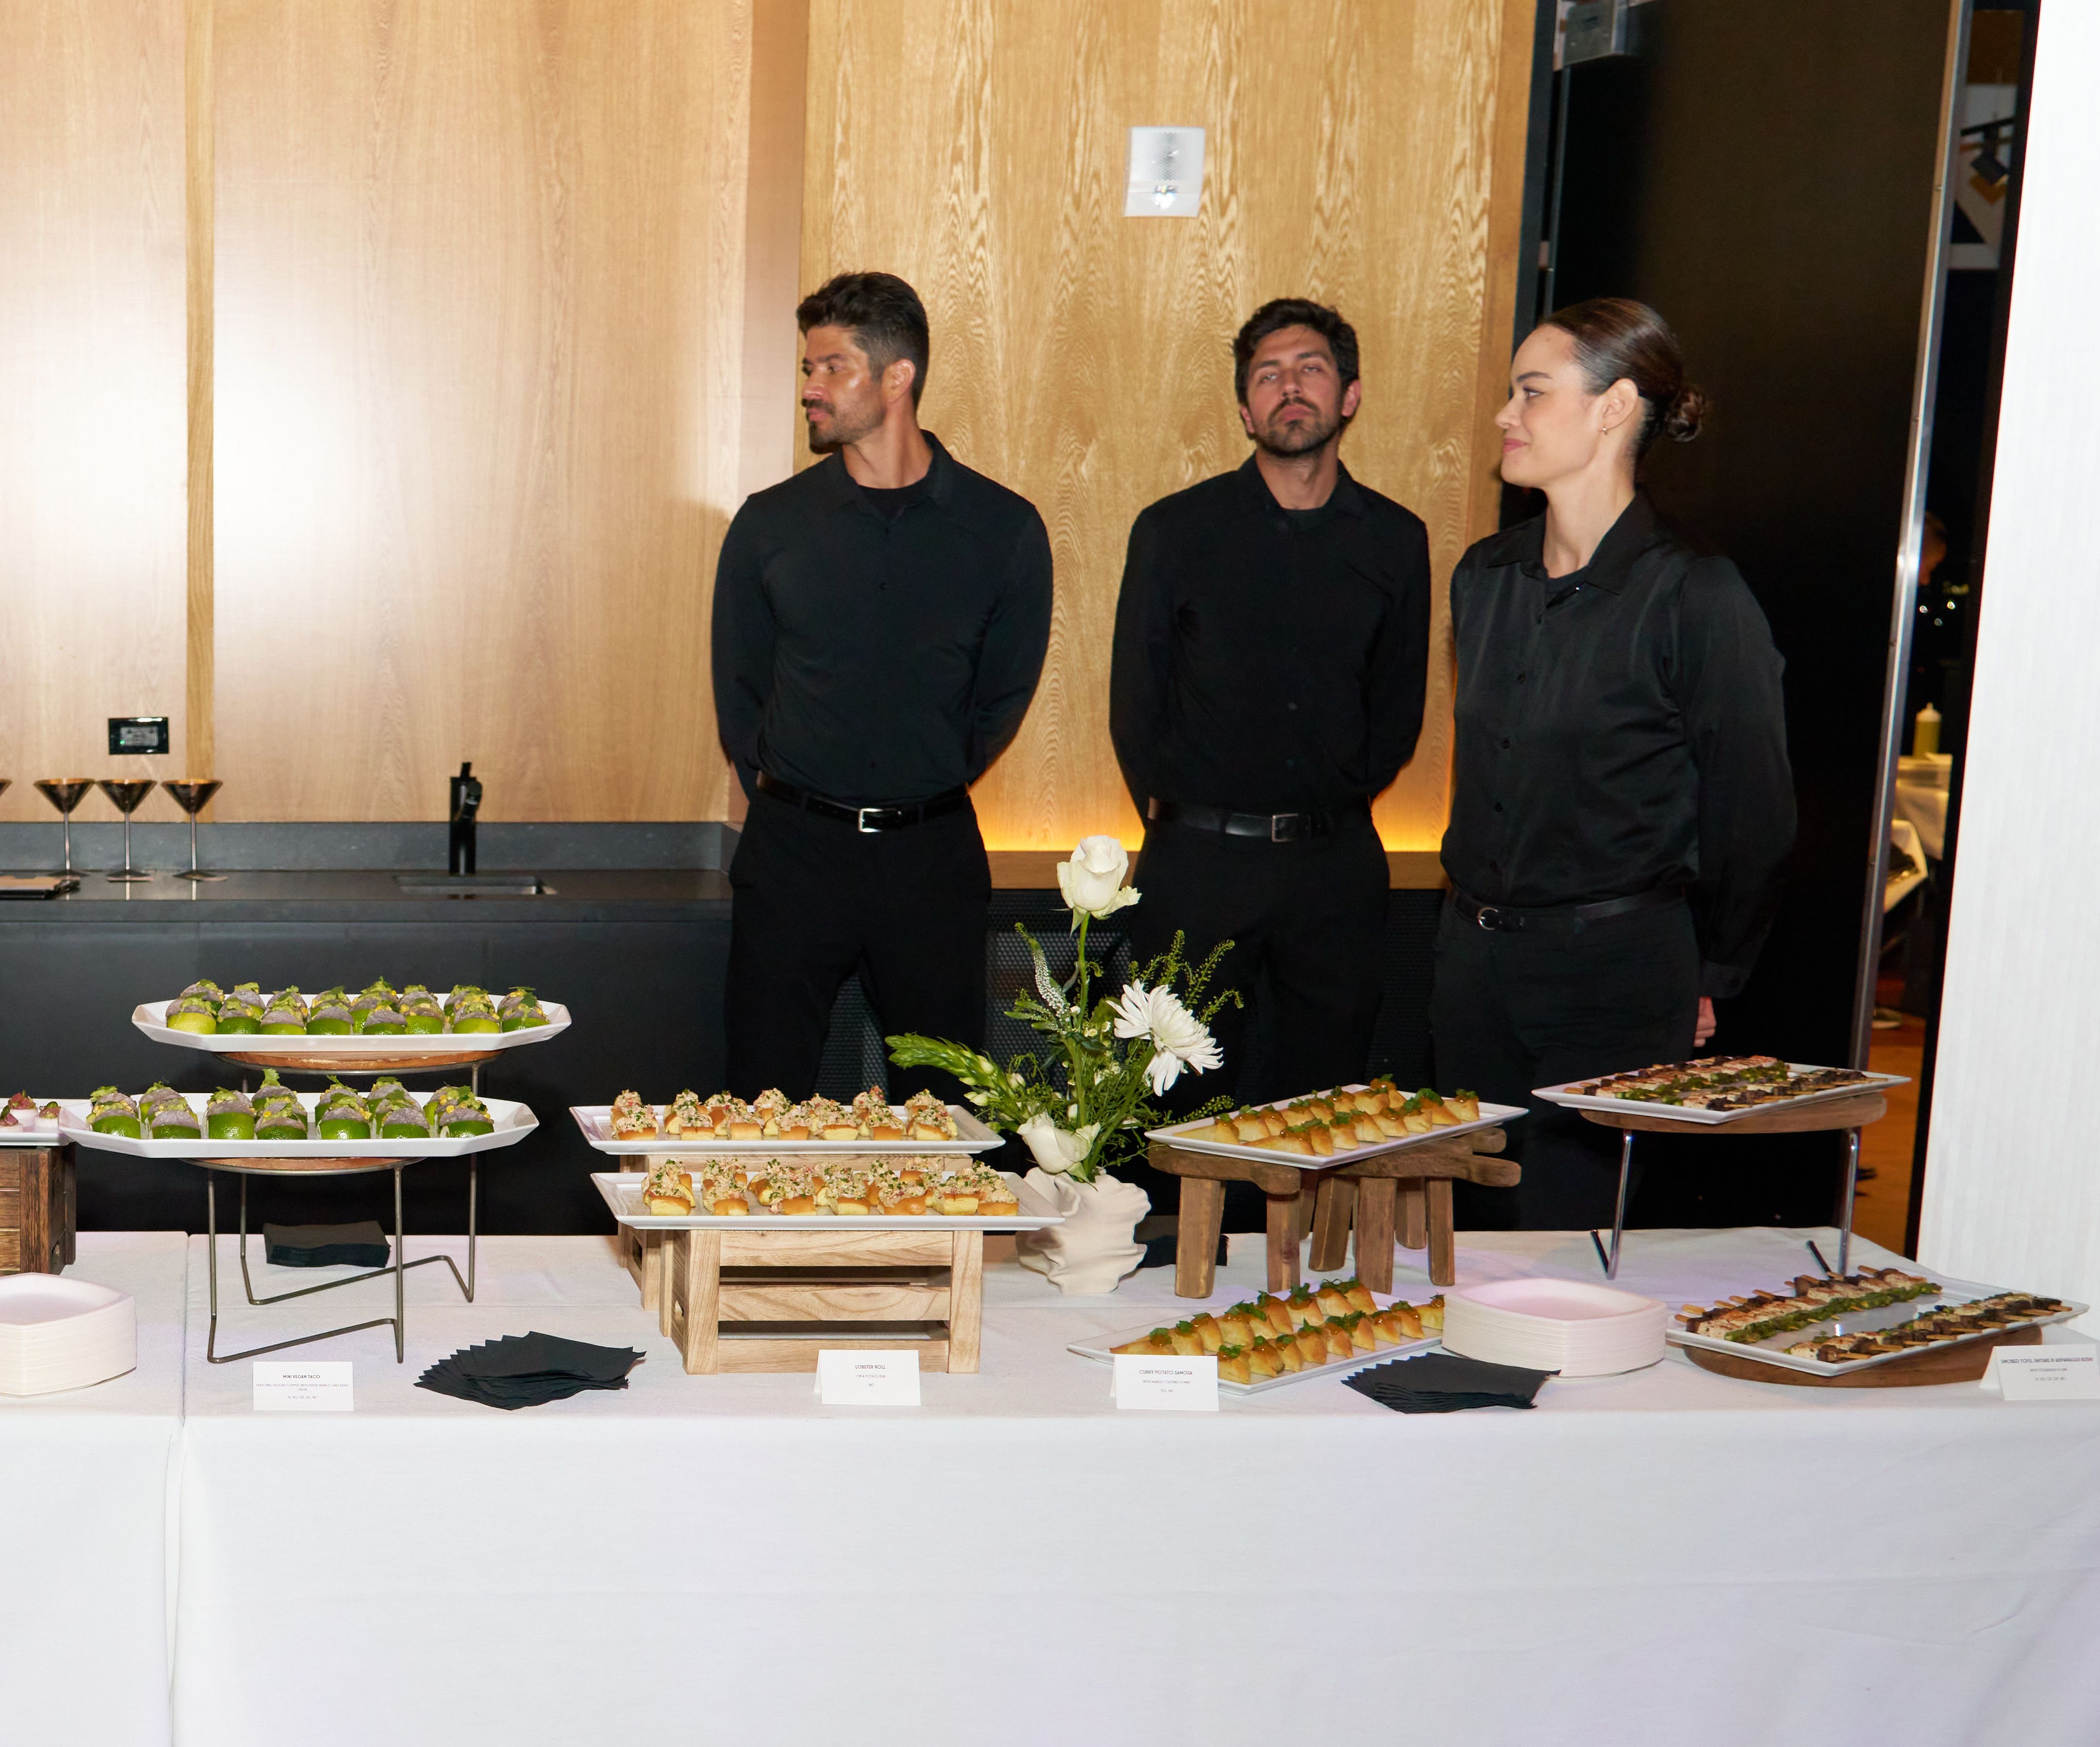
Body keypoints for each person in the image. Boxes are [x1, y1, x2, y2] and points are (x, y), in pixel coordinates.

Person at [1436, 299, 1794, 1227]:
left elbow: (1752, 810)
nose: (1505, 415)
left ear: (1612, 407)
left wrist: (1711, 971)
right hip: (1471, 968)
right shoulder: (1483, 575)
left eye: (1531, 391)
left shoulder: (1695, 593)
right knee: (1468, 1244)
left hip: (1612, 976)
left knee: (1570, 1247)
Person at [709, 271, 1054, 1094]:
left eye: (831, 368)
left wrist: (923, 776)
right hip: (794, 854)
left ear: (897, 378)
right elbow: (740, 693)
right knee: (763, 1102)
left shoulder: (1002, 528)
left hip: (930, 861)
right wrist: (800, 789)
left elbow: (1002, 695)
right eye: (807, 369)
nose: (810, 389)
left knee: (947, 1113)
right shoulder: (769, 525)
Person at [1109, 298, 1431, 1117]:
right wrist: (1181, 825)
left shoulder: (1396, 539)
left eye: (1311, 370)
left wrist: (1333, 797)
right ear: (1246, 407)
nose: (1291, 389)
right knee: (1173, 1107)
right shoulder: (1175, 530)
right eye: (1268, 375)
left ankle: (1299, 1255)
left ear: (1349, 396)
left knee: (1324, 1109)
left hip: (1337, 868)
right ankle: (1184, 1250)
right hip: (1198, 867)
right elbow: (1134, 704)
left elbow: (1397, 706)